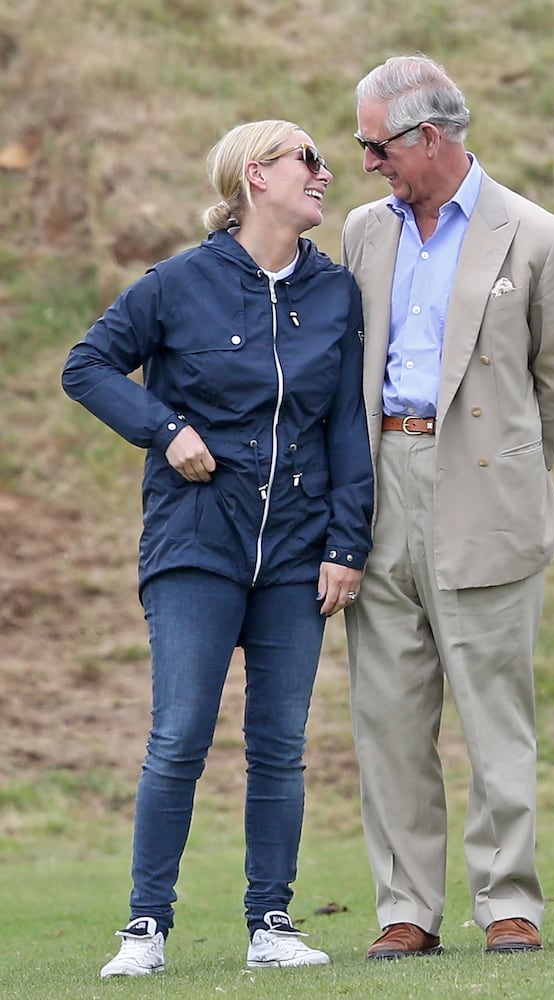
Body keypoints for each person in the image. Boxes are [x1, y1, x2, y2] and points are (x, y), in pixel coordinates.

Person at [62, 119, 373, 977]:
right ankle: (145, 928)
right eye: (307, 158)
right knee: (182, 735)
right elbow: (86, 366)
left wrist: (347, 542)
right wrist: (165, 431)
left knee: (279, 743)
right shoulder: (176, 283)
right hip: (195, 542)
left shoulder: (336, 292)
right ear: (253, 175)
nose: (323, 172)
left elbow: (346, 423)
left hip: (300, 551)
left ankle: (271, 923)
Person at [342, 54, 554, 959]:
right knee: (387, 715)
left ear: (430, 138)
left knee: (495, 713)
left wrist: (512, 467)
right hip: (378, 493)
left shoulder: (536, 236)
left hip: (486, 491)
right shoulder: (363, 232)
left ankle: (508, 902)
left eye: (377, 145)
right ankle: (404, 909)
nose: (367, 162)